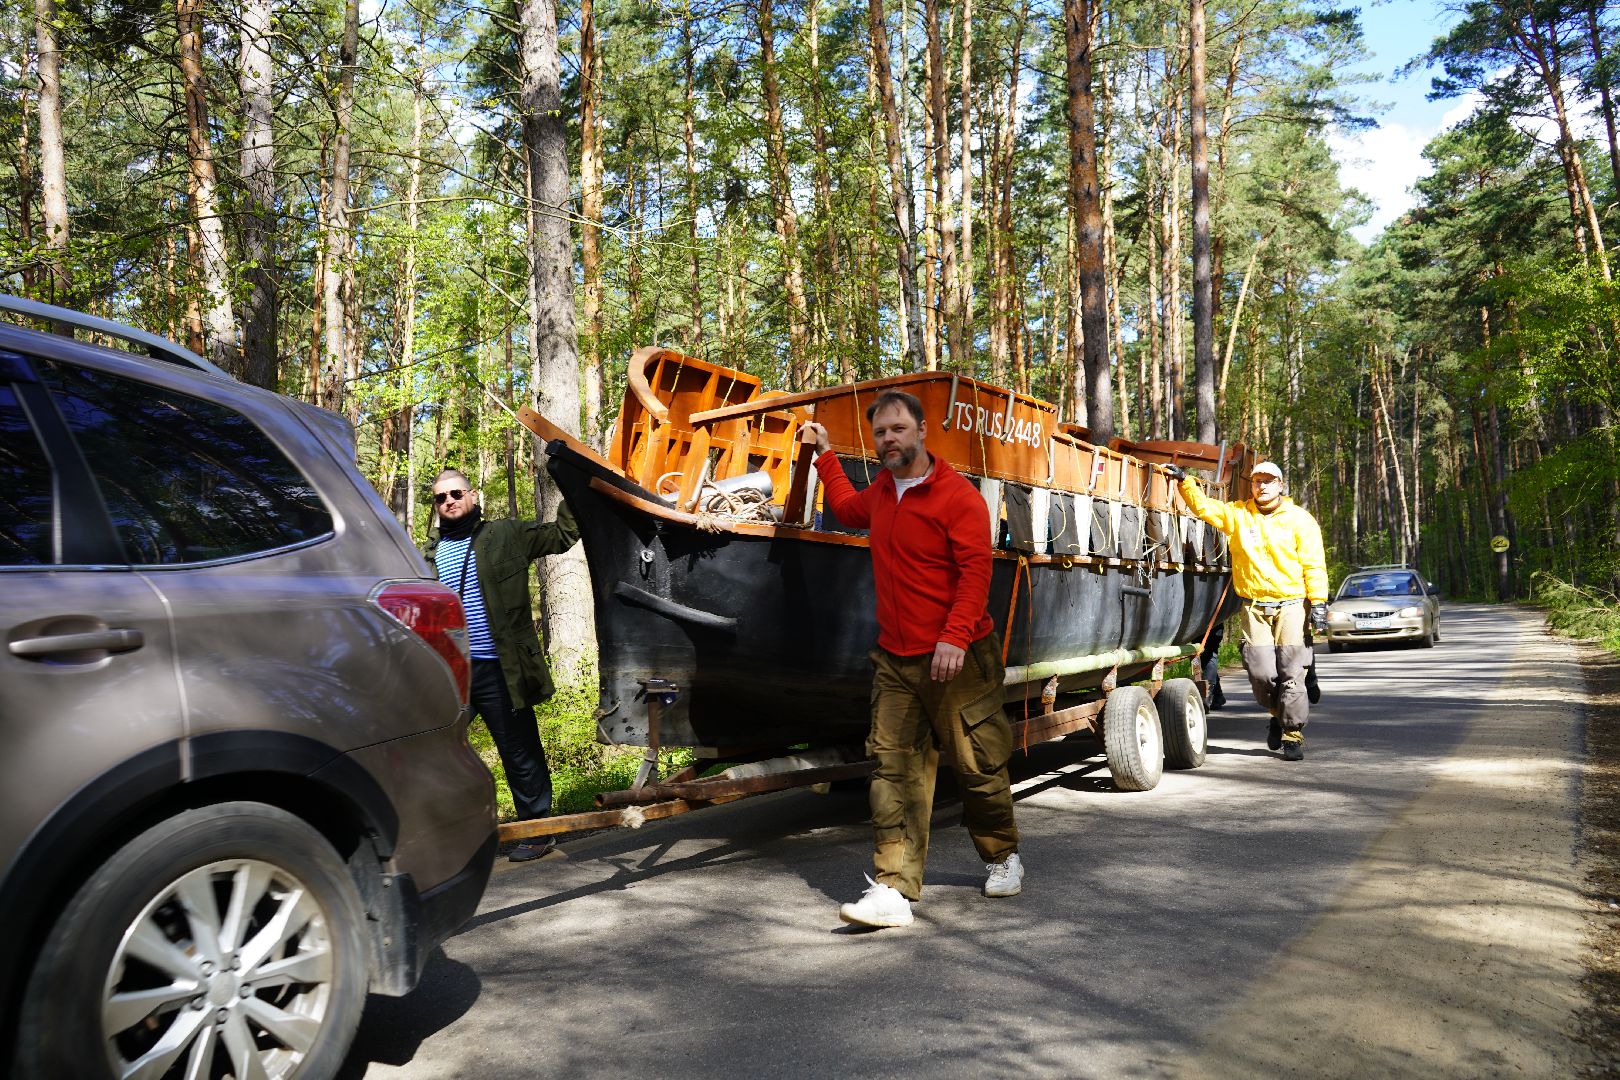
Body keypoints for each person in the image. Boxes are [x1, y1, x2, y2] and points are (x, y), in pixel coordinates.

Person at [803, 391, 1022, 929]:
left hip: (961, 656)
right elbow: (845, 509)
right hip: (896, 657)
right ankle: (893, 889)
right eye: (880, 433)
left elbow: (976, 573)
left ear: (922, 430)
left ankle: (1002, 857)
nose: (889, 440)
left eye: (898, 429)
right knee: (892, 769)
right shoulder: (880, 492)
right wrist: (825, 454)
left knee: (978, 764)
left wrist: (953, 636)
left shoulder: (957, 496)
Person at [424, 469, 581, 860]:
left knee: (518, 749)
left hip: (498, 667)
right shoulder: (423, 555)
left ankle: (537, 828)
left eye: (455, 493)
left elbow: (561, 536)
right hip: (450, 675)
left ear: (473, 495)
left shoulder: (506, 534)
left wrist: (578, 488)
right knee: (434, 752)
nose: (449, 502)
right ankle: (458, 832)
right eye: (440, 498)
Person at [1166, 460, 1327, 761]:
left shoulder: (1299, 520)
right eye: (1257, 481)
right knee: (1261, 674)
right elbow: (1204, 508)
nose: (1262, 486)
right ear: (1251, 485)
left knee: (1292, 672)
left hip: (1291, 603)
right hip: (1253, 606)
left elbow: (1314, 564)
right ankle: (1278, 715)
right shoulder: (1239, 515)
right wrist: (1185, 481)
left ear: (1281, 485)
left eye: (1268, 481)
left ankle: (1292, 735)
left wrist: (1318, 602)